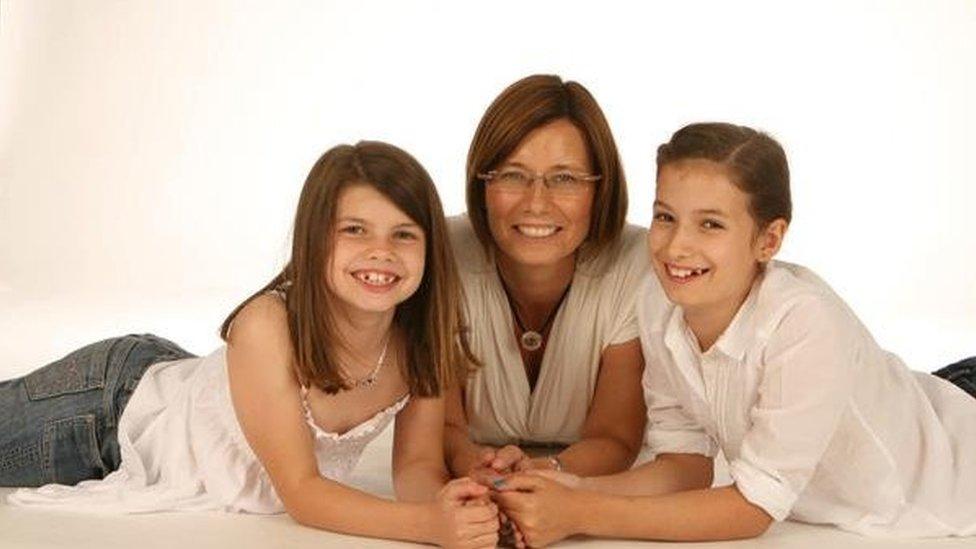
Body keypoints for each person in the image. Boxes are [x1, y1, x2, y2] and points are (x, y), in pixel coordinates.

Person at [493, 122, 976, 545]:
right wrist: (567, 487)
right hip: (914, 395)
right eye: (665, 217)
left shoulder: (804, 320)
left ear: (768, 240)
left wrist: (581, 514)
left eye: (710, 224)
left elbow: (752, 510)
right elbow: (685, 464)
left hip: (957, 462)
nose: (677, 246)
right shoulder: (659, 303)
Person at [1, 141, 500, 548]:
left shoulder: (426, 341)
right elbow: (302, 493)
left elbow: (415, 468)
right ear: (315, 240)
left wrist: (458, 511)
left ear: (431, 248)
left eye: (404, 235)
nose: (381, 252)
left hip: (200, 397)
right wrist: (427, 528)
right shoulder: (266, 325)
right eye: (354, 230)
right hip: (111, 409)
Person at [444, 74, 648, 482]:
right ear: (481, 183)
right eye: (512, 175)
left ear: (600, 189)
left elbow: (615, 439)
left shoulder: (637, 262)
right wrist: (482, 472)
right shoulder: (441, 253)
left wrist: (540, 475)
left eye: (565, 178)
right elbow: (444, 431)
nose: (536, 203)